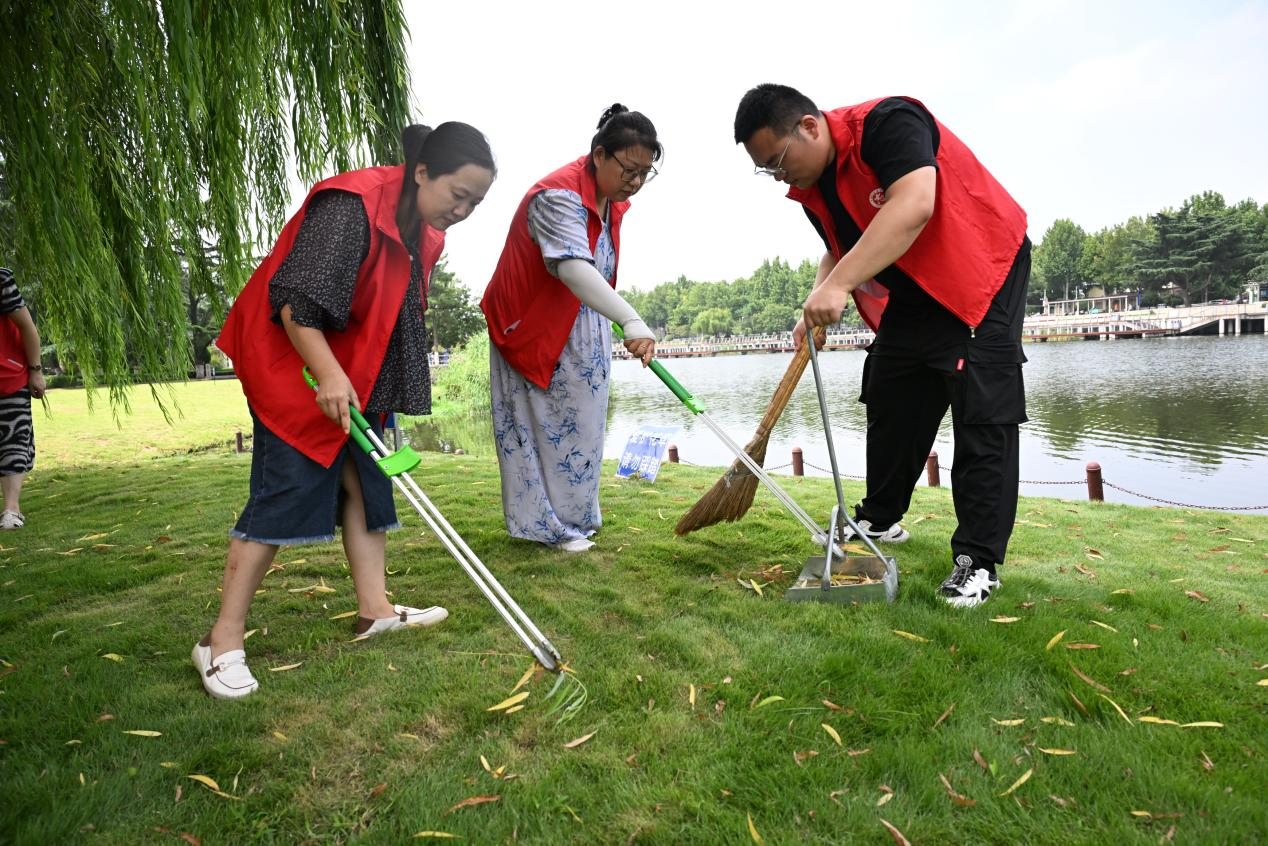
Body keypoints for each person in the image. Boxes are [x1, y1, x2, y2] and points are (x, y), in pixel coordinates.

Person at [200, 122, 496, 699]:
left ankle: (375, 611)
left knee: (367, 484)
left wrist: (373, 391)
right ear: (422, 172)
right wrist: (332, 374)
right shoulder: (351, 204)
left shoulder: (425, 231)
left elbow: (391, 315)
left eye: (475, 204)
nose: (462, 211)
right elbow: (296, 305)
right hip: (293, 361)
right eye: (458, 195)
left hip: (356, 371)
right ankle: (221, 641)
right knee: (284, 490)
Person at [735, 84, 1030, 608]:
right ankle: (880, 517)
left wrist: (839, 287)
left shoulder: (888, 123)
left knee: (982, 410)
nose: (778, 176)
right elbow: (840, 247)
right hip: (915, 285)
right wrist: (816, 300)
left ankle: (979, 562)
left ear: (809, 126)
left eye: (777, 161)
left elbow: (914, 203)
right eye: (766, 170)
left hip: (980, 269)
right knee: (892, 387)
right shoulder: (815, 185)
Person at [481, 104, 659, 553]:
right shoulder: (557, 196)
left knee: (583, 427)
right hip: (533, 325)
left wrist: (615, 320)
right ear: (599, 155)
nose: (635, 181)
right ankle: (547, 527)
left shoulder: (610, 202)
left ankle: (577, 518)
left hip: (582, 328)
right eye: (629, 169)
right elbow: (573, 268)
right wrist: (631, 319)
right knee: (540, 427)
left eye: (645, 173)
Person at [0, 267, 47, 529]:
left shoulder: (1, 280)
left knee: (14, 441)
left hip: (9, 376)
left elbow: (27, 326)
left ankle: (11, 510)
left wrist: (35, 370)